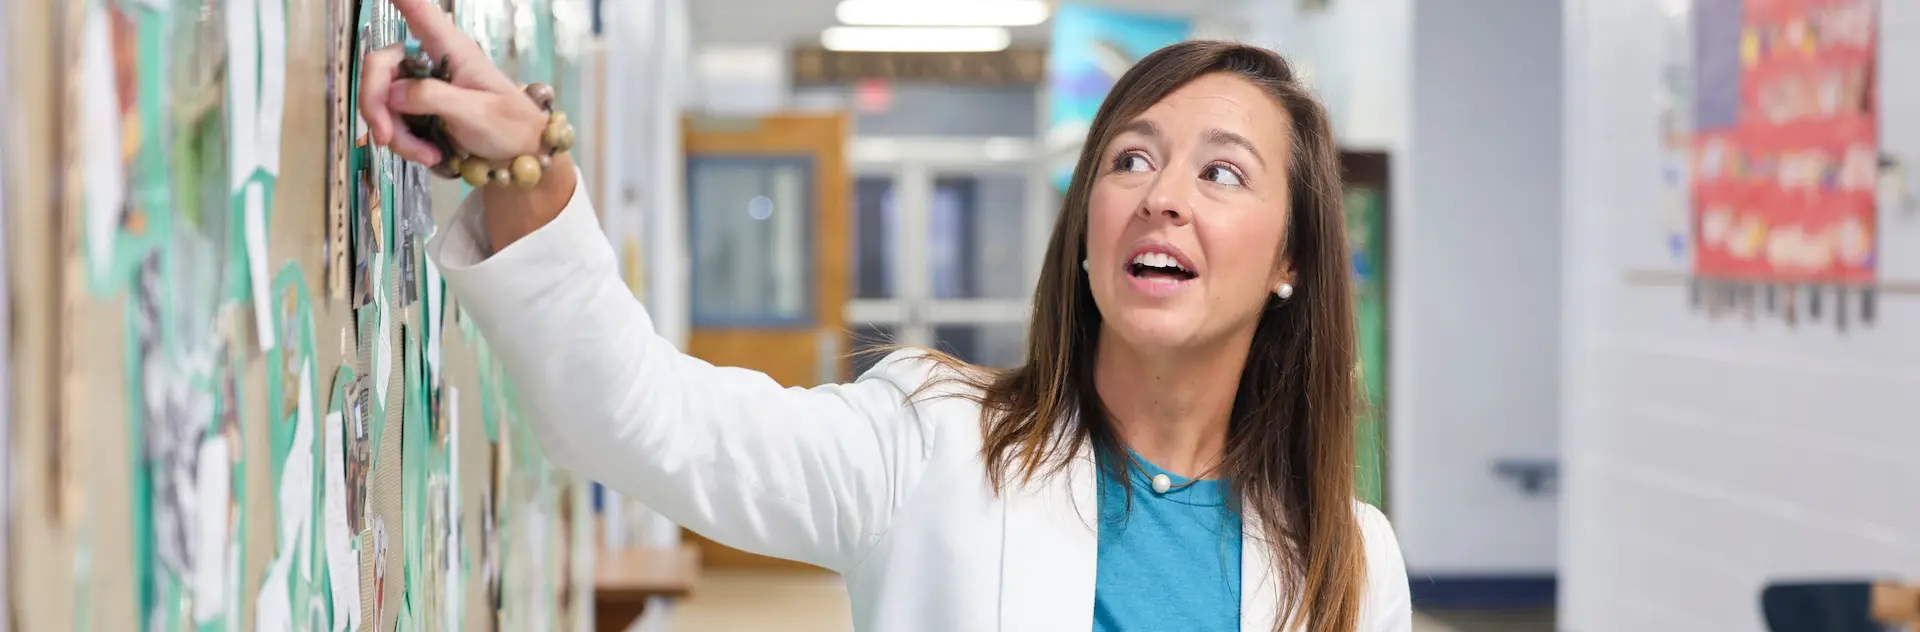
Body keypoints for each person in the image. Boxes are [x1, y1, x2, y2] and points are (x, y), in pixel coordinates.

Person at [359, 0, 1411, 629]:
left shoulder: (1350, 562)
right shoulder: (934, 442)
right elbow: (644, 419)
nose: (1162, 195)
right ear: (1087, 230)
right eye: (1130, 159)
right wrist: (528, 175)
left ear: (1291, 260)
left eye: (1222, 172)